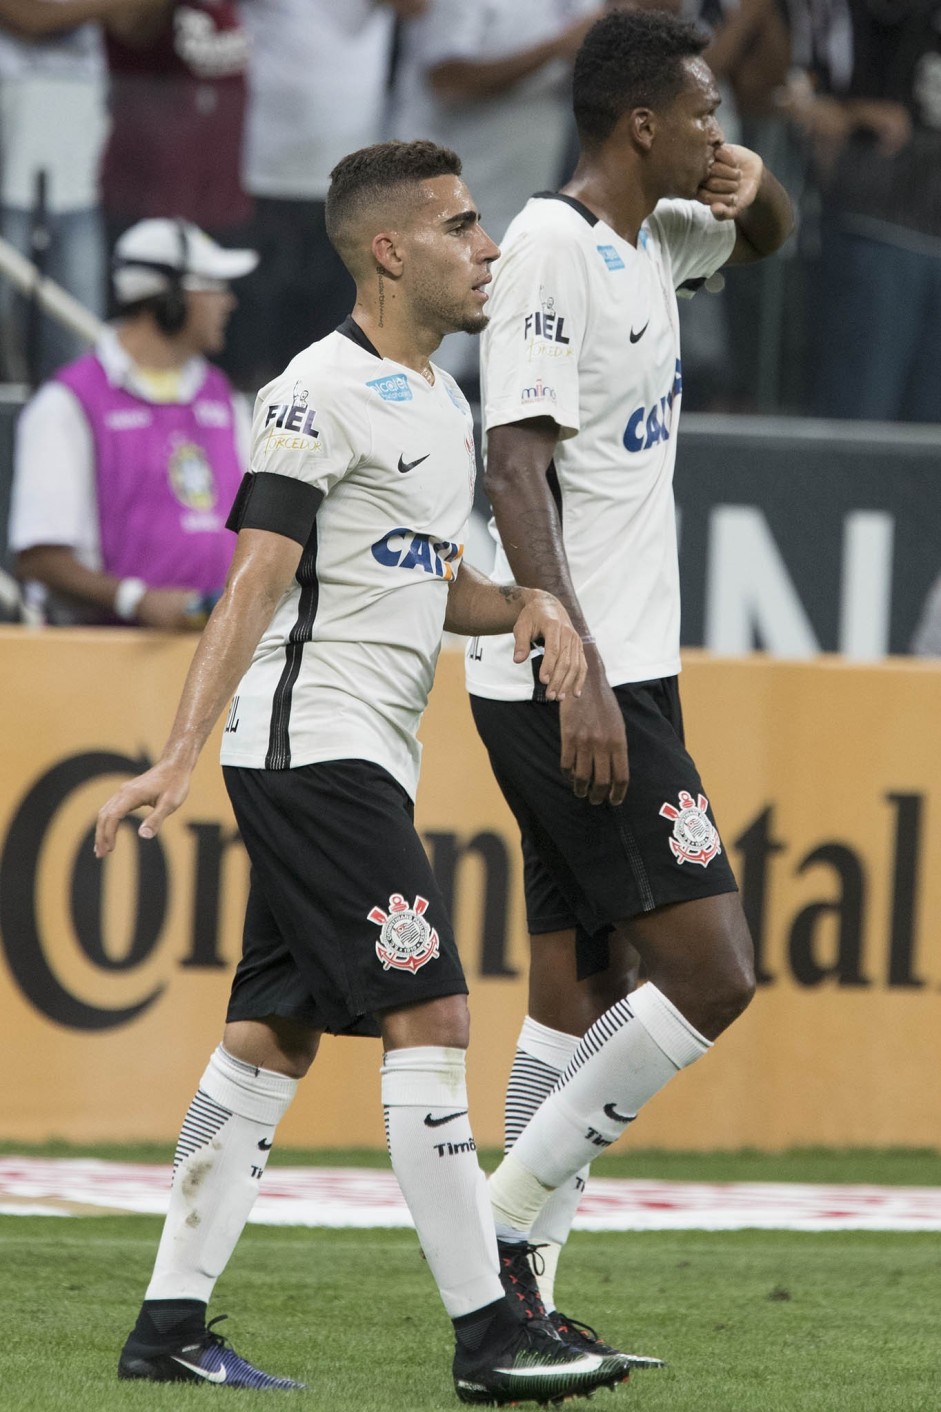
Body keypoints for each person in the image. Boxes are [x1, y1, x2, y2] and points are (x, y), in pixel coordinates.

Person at [94, 140, 633, 1406]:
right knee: (431, 1013)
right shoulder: (313, 391)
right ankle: (487, 1335)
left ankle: (166, 1327)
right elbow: (255, 578)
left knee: (266, 1036)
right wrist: (178, 751)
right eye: (460, 225)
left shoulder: (440, 404)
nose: (486, 244)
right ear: (390, 250)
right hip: (311, 749)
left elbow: (426, 578)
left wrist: (527, 607)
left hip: (362, 758)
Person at [465, 8, 793, 1350]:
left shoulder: (651, 237)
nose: (716, 130)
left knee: (579, 987)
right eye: (704, 112)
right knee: (713, 973)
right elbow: (513, 462)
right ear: (638, 122)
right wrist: (574, 657)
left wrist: (758, 189)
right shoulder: (550, 242)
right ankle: (492, 1235)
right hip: (574, 670)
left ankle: (524, 1304)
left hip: (609, 664)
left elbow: (759, 246)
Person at [8, 217, 256, 627]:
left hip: (219, 654)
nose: (227, 302)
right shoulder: (68, 403)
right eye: (213, 287)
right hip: (105, 661)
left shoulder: (222, 395)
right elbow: (40, 557)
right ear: (170, 300)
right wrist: (137, 600)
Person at [783, 0, 941, 421]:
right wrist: (859, 114)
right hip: (876, 230)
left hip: (918, 233)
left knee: (925, 435)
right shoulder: (845, 16)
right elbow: (795, 99)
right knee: (863, 418)